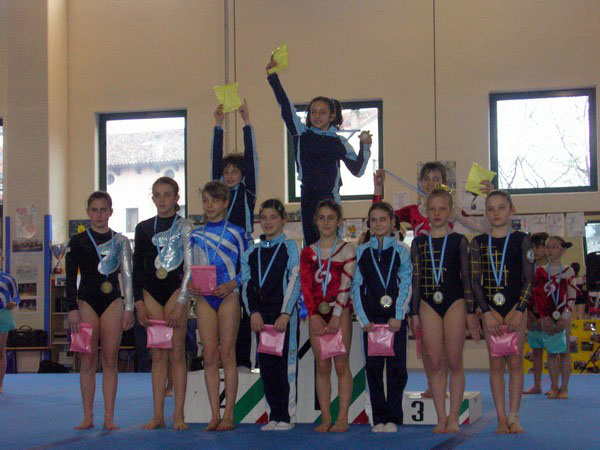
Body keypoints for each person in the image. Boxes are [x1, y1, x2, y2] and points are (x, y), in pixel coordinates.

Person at [374, 162, 491, 398]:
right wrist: (378, 189)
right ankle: (433, 384)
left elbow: (483, 227)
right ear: (420, 183)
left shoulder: (451, 211)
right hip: (423, 284)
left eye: (436, 179)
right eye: (426, 179)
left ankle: (447, 385)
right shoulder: (413, 211)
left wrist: (488, 199)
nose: (430, 183)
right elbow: (381, 218)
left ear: (445, 183)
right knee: (428, 346)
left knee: (450, 347)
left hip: (449, 285)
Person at [266, 57, 372, 246]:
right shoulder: (301, 134)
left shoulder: (339, 142)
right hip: (308, 197)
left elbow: (358, 170)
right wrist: (273, 78)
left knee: (332, 245)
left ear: (332, 116)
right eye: (313, 112)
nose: (317, 116)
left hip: (330, 198)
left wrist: (365, 147)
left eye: (322, 112)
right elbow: (286, 108)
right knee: (312, 246)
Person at [409, 188, 480, 433]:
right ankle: (441, 417)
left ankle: (454, 418)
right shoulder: (418, 243)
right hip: (428, 304)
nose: (437, 213)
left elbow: (467, 279)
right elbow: (416, 280)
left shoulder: (459, 241)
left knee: (454, 360)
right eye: (433, 209)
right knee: (436, 362)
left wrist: (470, 311)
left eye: (442, 209)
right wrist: (413, 313)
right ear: (426, 212)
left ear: (450, 212)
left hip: (455, 302)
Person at [66, 191, 135, 430]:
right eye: (94, 210)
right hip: (86, 302)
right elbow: (69, 278)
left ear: (111, 212)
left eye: (103, 210)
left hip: (113, 303)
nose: (99, 215)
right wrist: (72, 308)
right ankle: (88, 416)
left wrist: (129, 308)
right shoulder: (77, 241)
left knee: (109, 360)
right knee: (87, 361)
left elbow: (127, 277)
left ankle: (109, 417)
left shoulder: (121, 241)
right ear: (88, 213)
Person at [132, 177, 193, 430]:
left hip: (176, 291)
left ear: (176, 198)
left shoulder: (185, 226)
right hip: (151, 293)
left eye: (167, 195)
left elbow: (190, 267)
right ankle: (158, 415)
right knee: (157, 355)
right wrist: (138, 302)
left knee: (177, 353)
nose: (162, 200)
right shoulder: (143, 228)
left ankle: (179, 414)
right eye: (157, 195)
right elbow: (137, 269)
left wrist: (181, 301)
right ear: (152, 198)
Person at [470, 190, 533, 434]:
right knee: (495, 364)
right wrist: (485, 312)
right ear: (485, 213)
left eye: (501, 208)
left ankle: (514, 416)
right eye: (491, 209)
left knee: (515, 364)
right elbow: (475, 282)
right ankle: (500, 418)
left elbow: (529, 279)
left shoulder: (522, 240)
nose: (496, 213)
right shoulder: (478, 243)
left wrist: (520, 309)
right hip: (491, 312)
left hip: (517, 308)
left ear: (511, 210)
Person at [189, 181, 248, 431]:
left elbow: (248, 267)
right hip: (204, 297)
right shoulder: (195, 235)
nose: (209, 206)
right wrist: (190, 284)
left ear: (225, 203)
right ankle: (215, 414)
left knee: (228, 354)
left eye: (214, 201)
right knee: (210, 355)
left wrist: (233, 283)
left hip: (228, 295)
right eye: (205, 201)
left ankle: (229, 414)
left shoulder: (238, 233)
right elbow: (189, 268)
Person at [241, 199, 301, 431]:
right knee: (266, 367)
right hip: (261, 318)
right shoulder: (251, 252)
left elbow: (295, 279)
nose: (268, 222)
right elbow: (247, 285)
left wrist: (285, 312)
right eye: (264, 218)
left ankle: (287, 416)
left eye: (273, 217)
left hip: (283, 316)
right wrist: (253, 312)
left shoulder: (290, 247)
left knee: (285, 365)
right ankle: (273, 415)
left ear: (283, 220)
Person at [352, 202, 411, 433]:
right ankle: (378, 418)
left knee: (397, 370)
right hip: (371, 321)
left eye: (383, 219)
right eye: (374, 220)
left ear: (393, 222)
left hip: (395, 319)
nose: (378, 224)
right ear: (369, 223)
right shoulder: (362, 251)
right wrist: (363, 318)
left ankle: (393, 417)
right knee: (374, 370)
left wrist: (398, 314)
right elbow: (357, 286)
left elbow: (406, 283)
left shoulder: (402, 250)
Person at [299, 199, 355, 432]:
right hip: (317, 315)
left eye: (331, 218)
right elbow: (306, 286)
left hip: (339, 312)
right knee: (322, 367)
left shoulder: (347, 250)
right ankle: (325, 417)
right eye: (321, 218)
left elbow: (346, 284)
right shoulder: (307, 252)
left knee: (341, 365)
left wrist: (336, 315)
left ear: (339, 221)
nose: (326, 222)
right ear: (315, 221)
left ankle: (342, 417)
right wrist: (312, 315)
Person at [531, 236, 576, 399]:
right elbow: (537, 297)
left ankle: (564, 388)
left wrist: (565, 316)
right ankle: (554, 385)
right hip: (547, 316)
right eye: (547, 247)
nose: (549, 250)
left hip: (564, 315)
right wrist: (544, 317)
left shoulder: (568, 271)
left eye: (554, 247)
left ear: (562, 250)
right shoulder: (540, 271)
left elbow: (572, 295)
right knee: (551, 351)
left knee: (564, 352)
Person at [523, 232, 549, 395]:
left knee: (554, 352)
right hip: (532, 314)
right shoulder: (529, 268)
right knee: (537, 351)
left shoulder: (553, 269)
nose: (535, 251)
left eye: (538, 247)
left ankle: (556, 385)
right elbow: (525, 292)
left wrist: (548, 315)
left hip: (549, 314)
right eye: (533, 247)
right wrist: (527, 313)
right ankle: (537, 384)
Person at [0, 270, 20, 394]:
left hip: (3, 315)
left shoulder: (8, 279)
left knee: (0, 351)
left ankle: (0, 384)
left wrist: (13, 303)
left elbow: (16, 297)